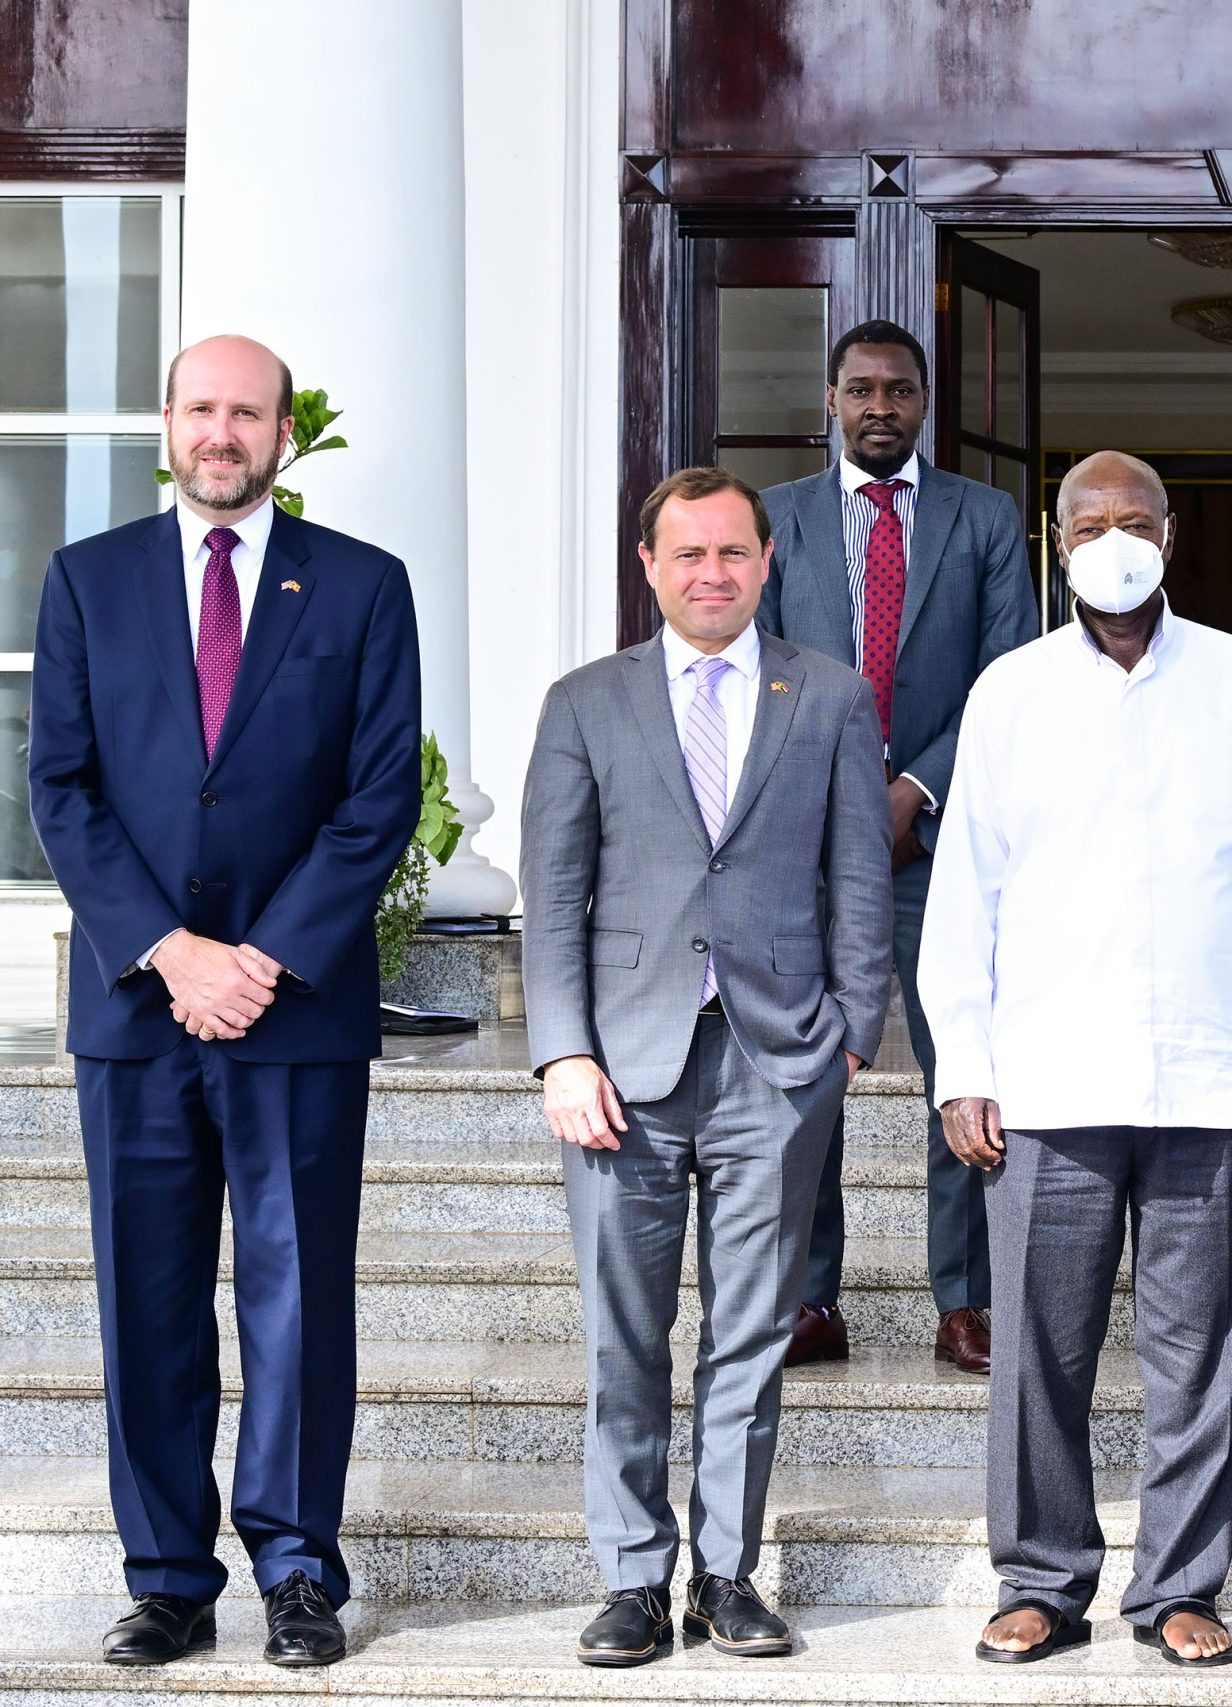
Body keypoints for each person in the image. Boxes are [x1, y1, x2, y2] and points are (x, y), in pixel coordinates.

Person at [29, 334, 422, 1669]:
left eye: (246, 413)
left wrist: (259, 956)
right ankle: (167, 1575)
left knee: (298, 1290)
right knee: (148, 1296)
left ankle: (300, 1568)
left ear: (281, 432)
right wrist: (169, 950)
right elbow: (61, 791)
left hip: (294, 1007)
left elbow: (378, 798)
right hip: (136, 1010)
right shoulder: (88, 580)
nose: (221, 432)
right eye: (201, 408)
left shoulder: (363, 586)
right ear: (167, 422)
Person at [924, 452, 1232, 1669]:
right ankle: (1041, 1582)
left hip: (1215, 1080)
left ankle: (1177, 1587)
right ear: (1059, 545)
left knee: (1200, 1351)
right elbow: (966, 893)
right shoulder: (1008, 693)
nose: (1115, 539)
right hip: (1047, 1078)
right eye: (1090, 523)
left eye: (1136, 520)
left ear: (1170, 537)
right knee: (1037, 1354)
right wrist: (964, 1063)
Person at [520, 466, 894, 1667]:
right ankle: (633, 1577)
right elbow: (557, 894)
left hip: (777, 1063)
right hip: (620, 1069)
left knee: (749, 1334)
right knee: (623, 1338)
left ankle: (726, 1573)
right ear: (650, 566)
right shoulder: (584, 702)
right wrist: (561, 1053)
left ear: (767, 561)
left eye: (732, 553)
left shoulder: (828, 696)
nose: (712, 574)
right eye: (688, 555)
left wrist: (851, 1034)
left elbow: (858, 881)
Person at [759, 318, 1038, 1375]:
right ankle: (806, 1299)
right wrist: (844, 798)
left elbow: (1008, 678)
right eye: (861, 389)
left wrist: (915, 788)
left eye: (900, 391)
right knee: (807, 1074)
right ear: (829, 401)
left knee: (961, 1066)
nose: (881, 406)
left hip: (944, 846)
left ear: (925, 404)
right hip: (804, 848)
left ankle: (965, 1300)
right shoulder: (774, 519)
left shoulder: (984, 518)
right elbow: (761, 672)